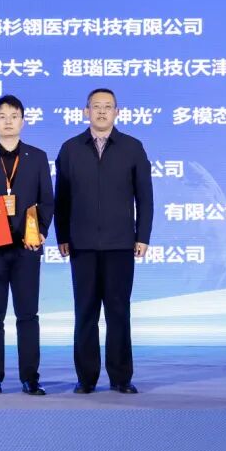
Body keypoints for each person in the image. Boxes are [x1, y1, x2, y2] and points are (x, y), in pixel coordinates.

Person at [55, 88, 154, 394]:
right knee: (85, 312)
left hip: (120, 244)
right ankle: (86, 378)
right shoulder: (70, 149)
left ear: (117, 112)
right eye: (95, 106)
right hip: (82, 244)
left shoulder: (132, 147)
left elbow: (145, 197)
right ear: (86, 111)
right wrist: (62, 235)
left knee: (118, 312)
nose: (101, 111)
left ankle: (121, 377)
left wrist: (142, 236)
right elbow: (62, 198)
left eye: (107, 107)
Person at [0, 95, 53, 396]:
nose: (8, 121)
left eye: (13, 116)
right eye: (2, 116)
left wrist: (40, 232)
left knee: (28, 315)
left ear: (22, 121)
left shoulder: (37, 157)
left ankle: (30, 378)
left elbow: (47, 200)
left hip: (26, 249)